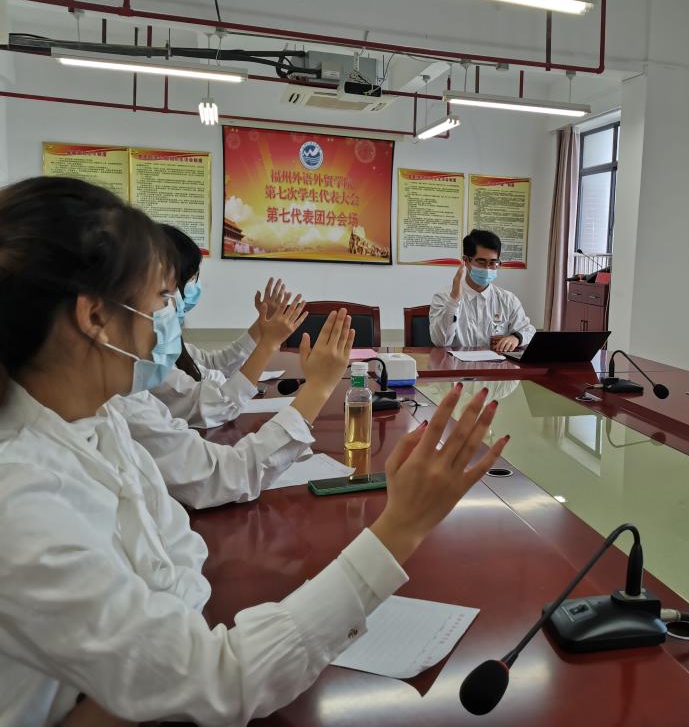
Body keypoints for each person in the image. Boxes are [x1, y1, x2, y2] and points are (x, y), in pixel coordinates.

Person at [0, 176, 509, 725]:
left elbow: (179, 557)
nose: (170, 315)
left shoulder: (101, 419)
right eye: (162, 299)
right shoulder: (21, 505)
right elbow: (218, 680)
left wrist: (144, 682)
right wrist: (400, 528)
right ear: (95, 317)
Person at [152, 224, 303, 428]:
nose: (195, 285)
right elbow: (217, 406)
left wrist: (262, 324)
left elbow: (216, 364)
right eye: (192, 277)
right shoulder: (149, 357)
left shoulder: (166, 339)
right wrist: (268, 344)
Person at [429, 229, 536, 352]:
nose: (487, 268)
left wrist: (516, 337)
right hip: (456, 363)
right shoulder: (443, 297)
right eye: (481, 262)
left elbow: (528, 330)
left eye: (493, 263)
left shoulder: (508, 299)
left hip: (495, 363)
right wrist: (454, 300)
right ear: (466, 261)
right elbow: (440, 342)